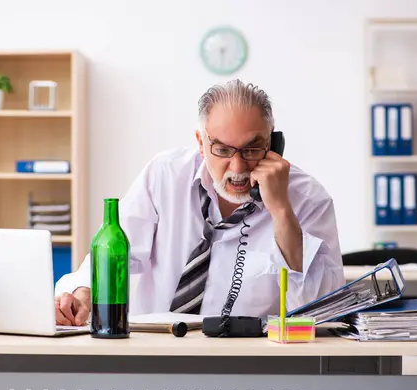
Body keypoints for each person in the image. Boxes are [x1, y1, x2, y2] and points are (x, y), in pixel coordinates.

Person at [54, 79, 345, 326]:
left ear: (272, 143)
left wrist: (281, 211)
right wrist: (83, 292)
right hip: (151, 356)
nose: (238, 167)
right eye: (222, 149)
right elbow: (116, 254)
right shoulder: (164, 175)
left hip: (250, 370)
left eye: (252, 149)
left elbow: (322, 310)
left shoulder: (308, 200)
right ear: (200, 142)